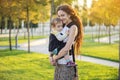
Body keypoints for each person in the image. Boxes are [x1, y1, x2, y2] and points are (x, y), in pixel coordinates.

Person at [51, 4, 83, 80]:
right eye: (59, 16)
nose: (60, 18)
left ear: (69, 15)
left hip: (66, 66)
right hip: (60, 65)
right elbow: (57, 43)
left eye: (63, 15)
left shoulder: (73, 27)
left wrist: (55, 58)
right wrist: (51, 56)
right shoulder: (63, 26)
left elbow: (66, 48)